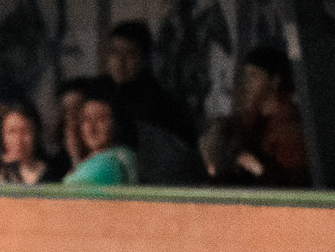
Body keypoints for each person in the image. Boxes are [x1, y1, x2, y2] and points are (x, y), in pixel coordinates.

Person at [102, 20, 199, 185]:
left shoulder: (161, 104)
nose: (120, 61)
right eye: (115, 52)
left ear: (145, 58)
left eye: (130, 54)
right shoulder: (102, 93)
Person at [202, 44, 310, 188]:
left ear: (274, 81)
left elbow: (294, 184)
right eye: (246, 76)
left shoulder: (289, 126)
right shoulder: (252, 120)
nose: (247, 83)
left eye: (254, 75)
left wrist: (258, 168)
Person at [62, 80, 139, 186]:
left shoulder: (110, 163)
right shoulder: (98, 159)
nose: (91, 128)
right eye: (86, 119)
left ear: (116, 124)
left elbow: (72, 190)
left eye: (101, 119)